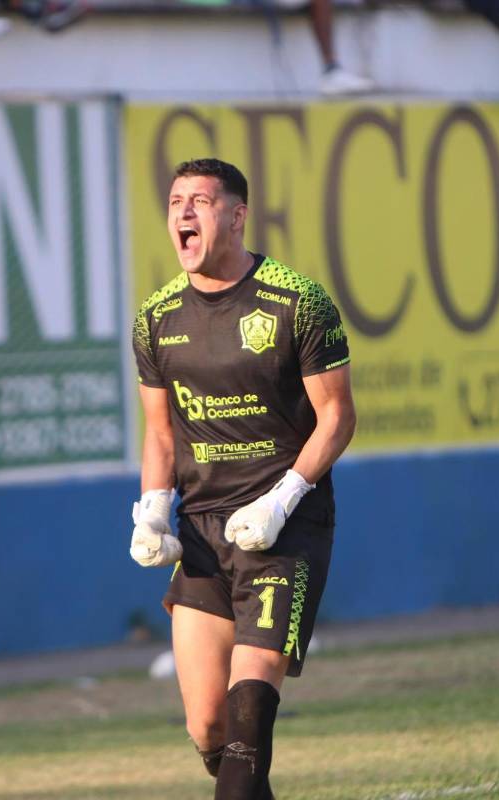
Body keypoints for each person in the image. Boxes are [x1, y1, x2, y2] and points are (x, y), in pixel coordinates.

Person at [129, 157, 356, 799]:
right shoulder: (155, 317)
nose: (183, 213)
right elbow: (160, 432)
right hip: (202, 534)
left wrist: (283, 500)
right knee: (211, 729)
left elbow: (337, 418)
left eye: (199, 200)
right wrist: (152, 510)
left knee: (249, 718)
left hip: (284, 531)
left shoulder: (297, 302)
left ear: (236, 215)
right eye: (175, 201)